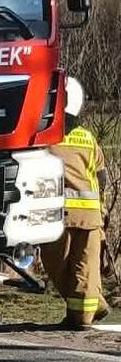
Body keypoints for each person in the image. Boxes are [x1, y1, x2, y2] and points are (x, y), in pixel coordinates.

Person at [41, 76, 111, 330]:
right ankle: (94, 307)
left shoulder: (43, 139)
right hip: (89, 218)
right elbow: (100, 176)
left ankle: (81, 317)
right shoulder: (88, 138)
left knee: (60, 268)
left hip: (58, 216)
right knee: (84, 270)